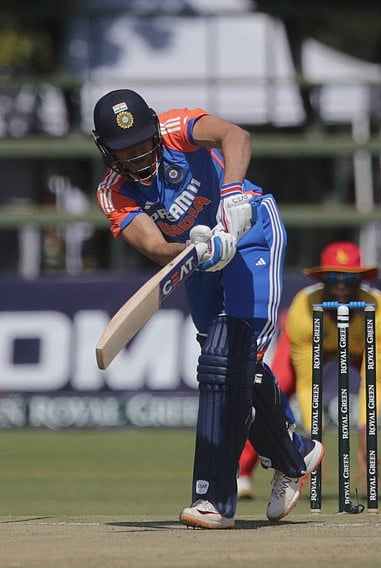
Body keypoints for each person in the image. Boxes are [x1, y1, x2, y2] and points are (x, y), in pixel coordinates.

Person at [92, 89, 324, 529]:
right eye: (125, 148)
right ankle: (295, 453)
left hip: (252, 229)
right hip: (200, 255)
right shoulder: (113, 192)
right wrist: (197, 247)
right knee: (222, 364)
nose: (138, 153)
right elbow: (157, 246)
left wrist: (234, 192)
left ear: (154, 129)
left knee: (228, 357)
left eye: (142, 141)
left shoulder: (177, 128)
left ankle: (214, 499)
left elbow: (235, 135)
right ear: (107, 149)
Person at [236, 241, 381, 501]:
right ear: (322, 279)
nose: (341, 285)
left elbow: (372, 381)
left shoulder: (380, 311)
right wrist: (314, 442)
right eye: (333, 277)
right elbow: (308, 384)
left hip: (365, 348)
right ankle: (240, 474)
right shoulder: (304, 310)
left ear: (361, 280)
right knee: (271, 388)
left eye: (349, 278)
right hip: (312, 345)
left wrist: (367, 438)